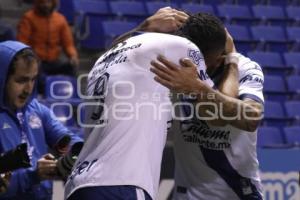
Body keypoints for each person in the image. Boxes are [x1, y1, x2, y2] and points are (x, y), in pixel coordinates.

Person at [64, 12, 227, 200]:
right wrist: (231, 61)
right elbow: (217, 115)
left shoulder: (107, 56)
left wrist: (145, 25)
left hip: (80, 185)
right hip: (122, 183)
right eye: (213, 64)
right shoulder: (185, 48)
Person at [148, 15, 264, 200]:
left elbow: (250, 118)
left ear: (218, 60)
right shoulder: (175, 64)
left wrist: (231, 63)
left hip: (236, 192)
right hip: (187, 193)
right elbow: (112, 58)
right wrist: (144, 27)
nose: (188, 63)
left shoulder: (245, 67)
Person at [0, 40, 83, 200]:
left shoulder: (36, 108)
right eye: (21, 80)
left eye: (33, 79)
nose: (28, 89)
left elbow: (64, 138)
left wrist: (77, 150)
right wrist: (34, 175)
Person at [17, 0, 79, 93]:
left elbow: (68, 44)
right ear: (37, 3)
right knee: (38, 76)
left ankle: (70, 97)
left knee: (71, 68)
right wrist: (29, 59)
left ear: (53, 3)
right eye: (42, 2)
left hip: (54, 61)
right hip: (36, 62)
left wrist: (73, 56)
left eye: (48, 2)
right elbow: (22, 43)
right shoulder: (28, 18)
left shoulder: (60, 19)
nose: (46, 5)